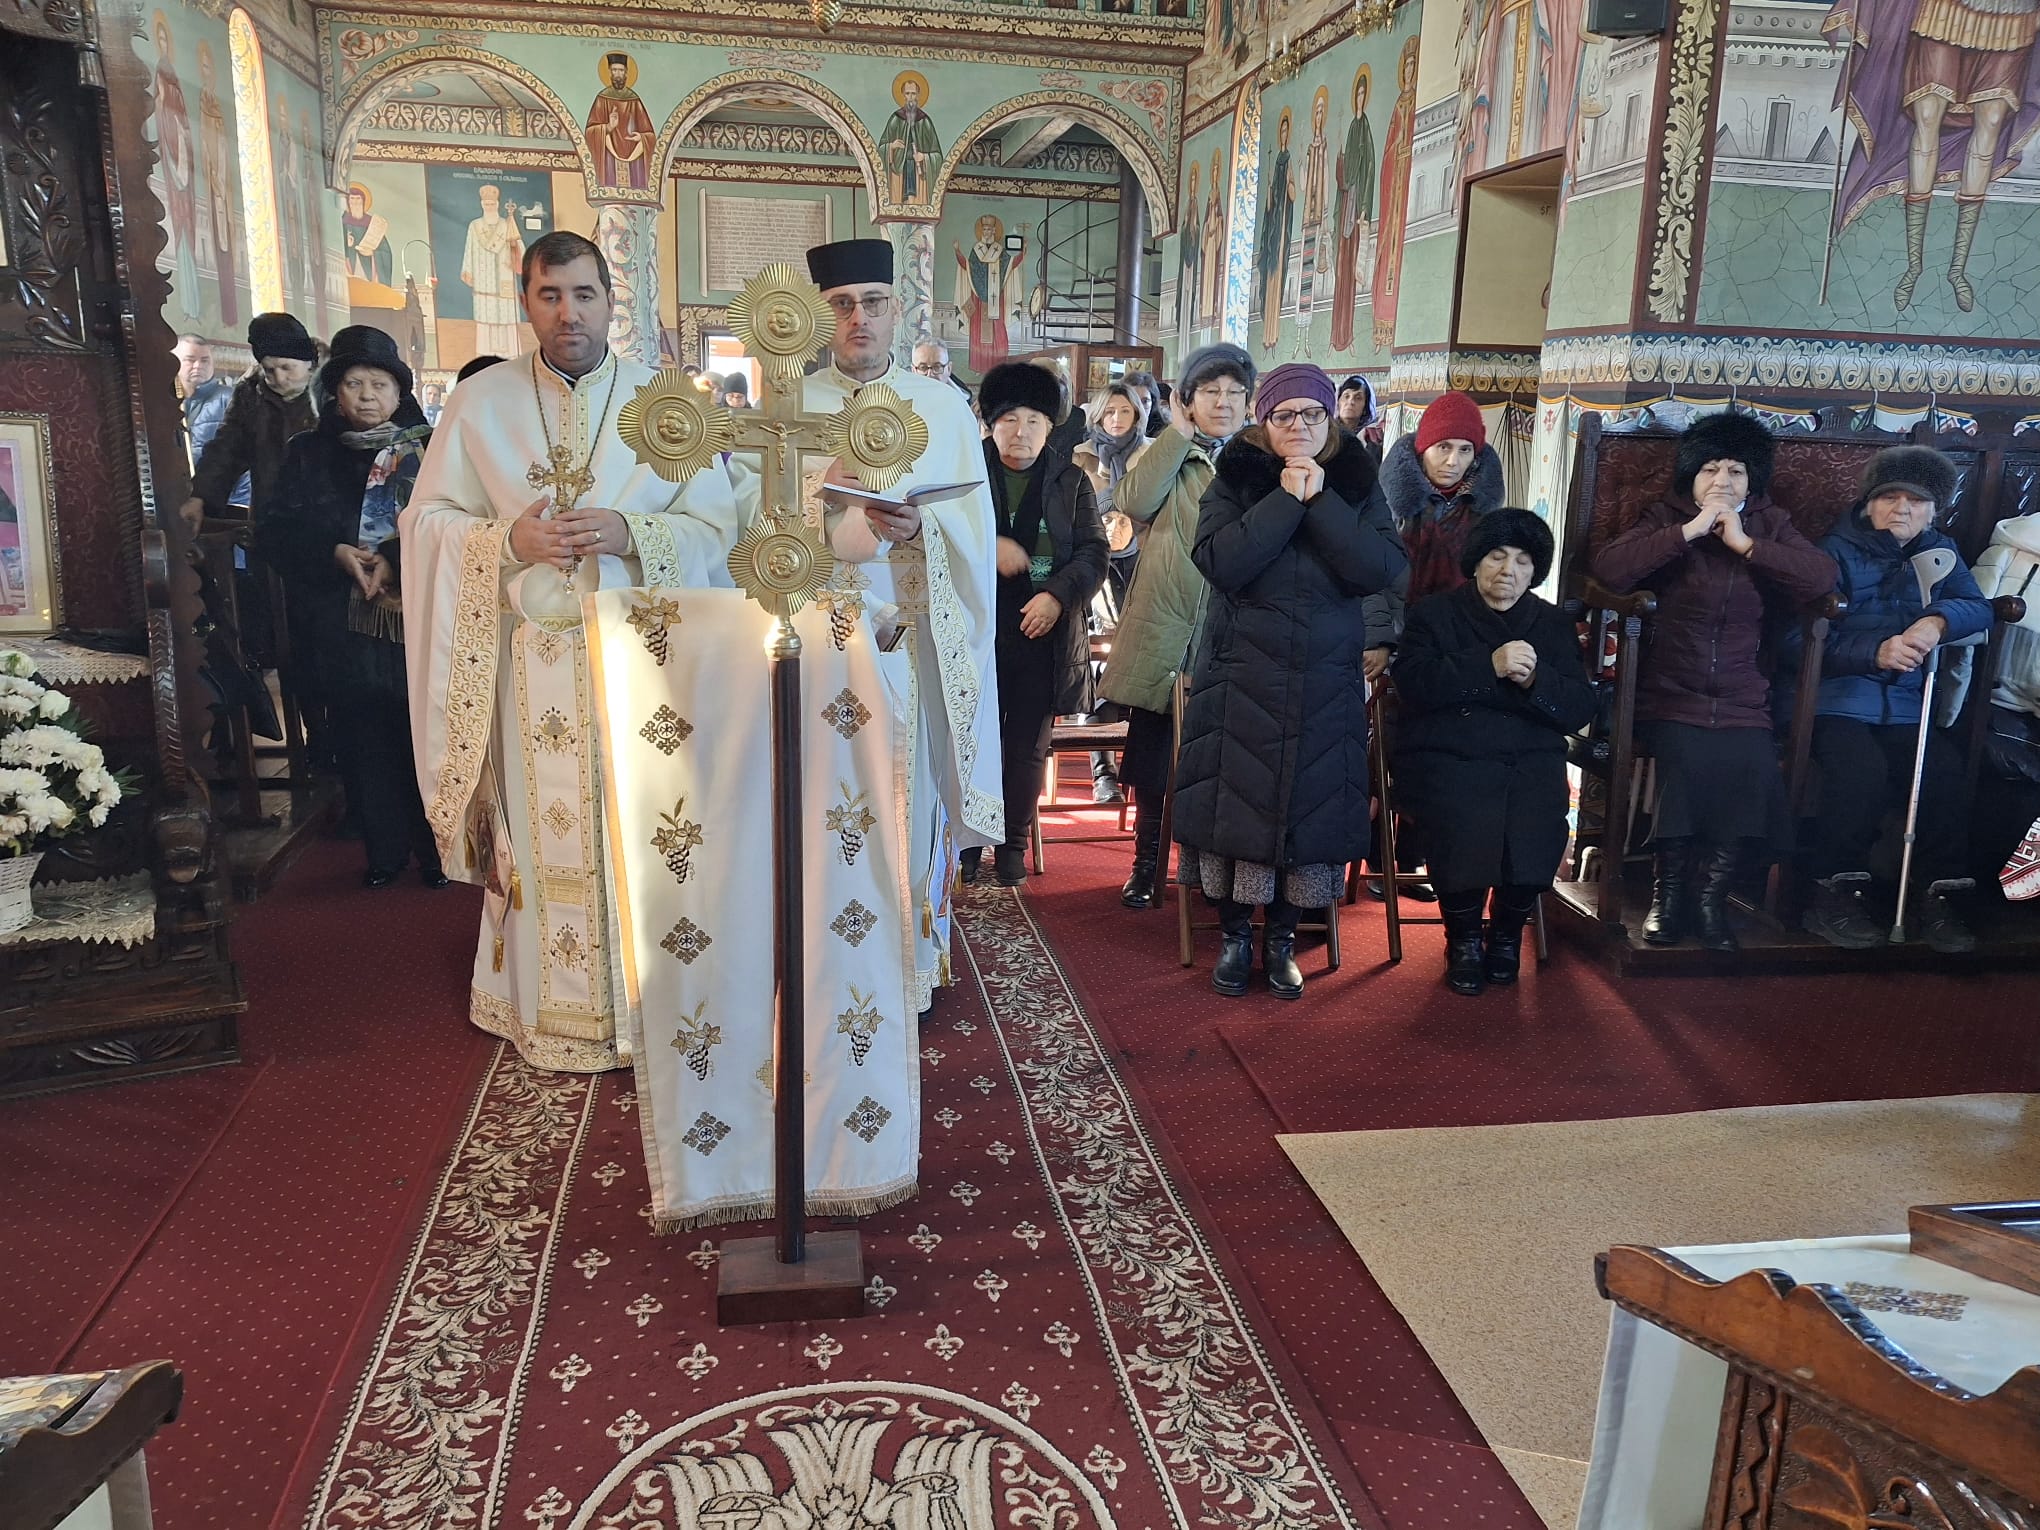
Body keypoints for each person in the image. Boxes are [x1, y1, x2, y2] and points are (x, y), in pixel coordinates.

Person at [402, 231, 749, 1071]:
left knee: (653, 830)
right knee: (541, 833)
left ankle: (651, 1007)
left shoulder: (668, 404)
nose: (569, 313)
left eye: (584, 295)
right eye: (550, 295)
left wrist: (633, 531)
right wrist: (506, 539)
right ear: (525, 301)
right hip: (530, 667)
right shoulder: (478, 403)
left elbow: (718, 531)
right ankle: (548, 1008)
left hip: (645, 665)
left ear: (610, 301)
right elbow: (426, 524)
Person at [803, 237, 1002, 1011]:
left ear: (897, 310)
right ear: (822, 314)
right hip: (815, 651)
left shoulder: (942, 409)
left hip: (911, 646)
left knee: (904, 807)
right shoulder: (790, 409)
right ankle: (821, 971)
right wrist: (832, 510)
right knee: (821, 809)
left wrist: (920, 530)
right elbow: (752, 537)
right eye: (842, 304)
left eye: (874, 303)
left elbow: (974, 535)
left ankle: (906, 969)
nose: (860, 318)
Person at [1173, 362, 1407, 999]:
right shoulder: (1236, 476)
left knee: (1307, 813)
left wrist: (1322, 502)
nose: (1298, 425)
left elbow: (1380, 567)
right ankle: (1234, 938)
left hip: (1323, 678)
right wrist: (1284, 500)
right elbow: (1220, 561)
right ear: (1263, 421)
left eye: (1311, 414)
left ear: (1330, 420)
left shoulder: (1356, 481)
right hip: (1240, 676)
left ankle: (1281, 941)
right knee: (1235, 810)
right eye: (1283, 415)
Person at [1593, 412, 1838, 953]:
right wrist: (1689, 532)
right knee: (1685, 763)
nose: (1722, 481)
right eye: (1710, 469)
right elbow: (1609, 569)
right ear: (1692, 476)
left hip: (1742, 693)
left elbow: (1822, 576)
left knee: (1751, 764)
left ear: (1753, 481)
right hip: (1669, 690)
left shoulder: (1770, 522)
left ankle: (1710, 899)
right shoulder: (1666, 515)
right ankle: (1668, 897)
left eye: (1736, 471)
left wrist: (1747, 544)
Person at [1790, 446, 1992, 953]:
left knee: (1942, 773)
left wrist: (1938, 620)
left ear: (1934, 510)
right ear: (1868, 503)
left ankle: (1937, 896)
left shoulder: (1941, 552)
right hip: (1834, 700)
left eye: (1916, 501)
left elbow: (1978, 607)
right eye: (1889, 497)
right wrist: (1874, 652)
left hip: (1905, 706)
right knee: (1860, 772)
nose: (1902, 509)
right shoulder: (1832, 551)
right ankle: (1834, 893)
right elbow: (1792, 640)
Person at [266, 326, 444, 890]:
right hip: (340, 621)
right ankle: (384, 852)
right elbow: (273, 530)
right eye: (353, 383)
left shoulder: (433, 451)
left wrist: (392, 556)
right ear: (333, 392)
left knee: (428, 737)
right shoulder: (308, 453)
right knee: (364, 738)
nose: (367, 395)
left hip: (422, 619)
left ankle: (439, 853)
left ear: (400, 392)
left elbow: (456, 526)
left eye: (379, 384)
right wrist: (334, 551)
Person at [1393, 510, 1596, 995]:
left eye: (1523, 561)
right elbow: (1413, 684)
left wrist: (1536, 679)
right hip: (1452, 755)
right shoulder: (1434, 614)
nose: (1509, 570)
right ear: (1476, 561)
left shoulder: (1552, 623)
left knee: (1539, 817)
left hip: (1530, 758)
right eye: (1497, 557)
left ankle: (1505, 936)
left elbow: (1578, 706)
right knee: (1461, 811)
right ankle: (1463, 940)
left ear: (1535, 571)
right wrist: (1487, 667)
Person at [1098, 344, 1254, 910]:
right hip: (1167, 622)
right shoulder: (1173, 453)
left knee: (1219, 759)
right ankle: (1146, 864)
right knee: (1154, 755)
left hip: (1228, 628)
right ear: (1187, 399)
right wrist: (1178, 434)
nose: (1223, 402)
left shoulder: (1258, 458)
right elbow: (1134, 500)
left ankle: (1206, 868)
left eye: (1234, 393)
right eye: (1210, 391)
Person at [962, 363, 1108, 885]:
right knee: (971, 740)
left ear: (1050, 426)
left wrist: (1056, 596)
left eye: (1033, 421)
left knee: (1027, 747)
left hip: (1042, 630)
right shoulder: (965, 474)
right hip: (972, 629)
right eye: (1009, 420)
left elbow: (1094, 553)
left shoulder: (1071, 481)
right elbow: (936, 536)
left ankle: (1012, 845)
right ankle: (968, 843)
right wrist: (988, 547)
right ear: (991, 423)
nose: (1020, 432)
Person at [179, 312, 319, 536]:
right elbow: (226, 450)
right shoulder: (251, 394)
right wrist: (199, 497)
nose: (279, 378)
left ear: (308, 363)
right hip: (270, 522)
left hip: (328, 523)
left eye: (287, 368)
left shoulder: (333, 392)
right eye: (270, 370)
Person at [1336, 374, 1383, 458]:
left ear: (1365, 408)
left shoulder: (1371, 437)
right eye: (1346, 396)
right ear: (1338, 402)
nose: (1350, 402)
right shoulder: (1327, 433)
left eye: (1358, 398)